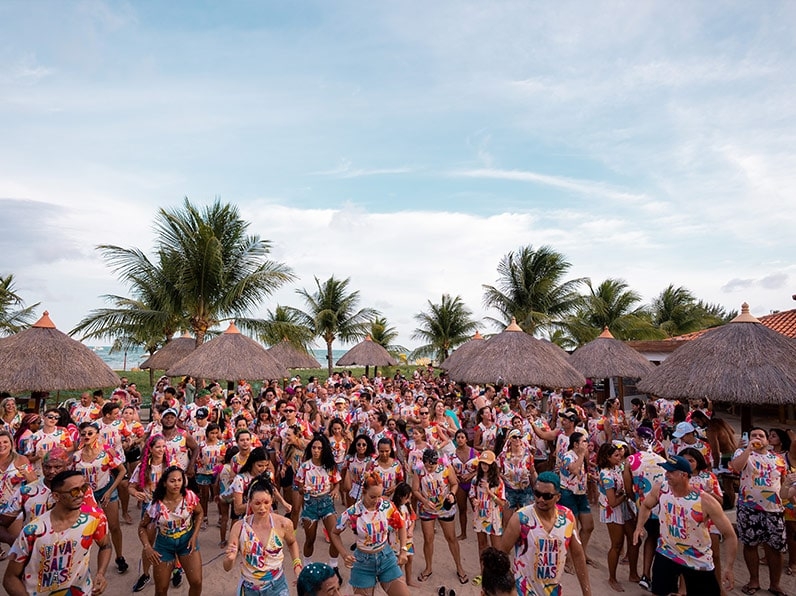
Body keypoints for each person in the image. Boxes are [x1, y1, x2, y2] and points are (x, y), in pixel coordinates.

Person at [633, 454, 737, 596]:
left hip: (697, 559)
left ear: (683, 475)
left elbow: (730, 535)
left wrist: (729, 567)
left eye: (671, 471)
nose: (666, 474)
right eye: (666, 471)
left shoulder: (705, 501)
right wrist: (639, 527)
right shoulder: (661, 489)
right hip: (667, 552)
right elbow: (645, 506)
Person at [3, 470, 111, 596]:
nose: (81, 494)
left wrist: (101, 573)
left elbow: (105, 545)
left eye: (84, 488)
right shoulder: (32, 531)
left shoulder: (95, 518)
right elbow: (10, 579)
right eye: (74, 491)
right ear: (56, 496)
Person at [501, 471, 592, 596]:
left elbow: (578, 555)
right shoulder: (521, 519)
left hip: (553, 591)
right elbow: (501, 555)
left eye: (547, 496)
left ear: (558, 497)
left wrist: (587, 592)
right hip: (523, 591)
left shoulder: (567, 519)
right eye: (537, 494)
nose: (540, 499)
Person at [729, 426, 789, 596]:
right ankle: (753, 580)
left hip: (773, 509)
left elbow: (783, 482)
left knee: (775, 548)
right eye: (754, 435)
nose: (757, 438)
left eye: (761, 436)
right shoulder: (743, 454)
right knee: (750, 544)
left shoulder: (778, 459)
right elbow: (737, 467)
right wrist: (748, 448)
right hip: (749, 508)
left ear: (768, 440)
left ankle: (775, 584)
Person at [329, 471, 410, 596]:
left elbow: (401, 524)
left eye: (379, 496)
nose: (377, 500)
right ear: (363, 492)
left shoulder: (387, 506)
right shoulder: (352, 512)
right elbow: (334, 532)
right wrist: (344, 555)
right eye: (373, 497)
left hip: (386, 558)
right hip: (363, 563)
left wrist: (403, 550)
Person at [223, 476, 302, 596]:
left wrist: (297, 566)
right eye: (257, 503)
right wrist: (230, 559)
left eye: (266, 502)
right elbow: (227, 567)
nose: (262, 508)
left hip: (277, 588)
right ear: (248, 501)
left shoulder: (283, 524)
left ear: (272, 500)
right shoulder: (239, 528)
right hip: (249, 589)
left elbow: (292, 542)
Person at [72, 421, 129, 574]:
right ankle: (84, 564)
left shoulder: (106, 452)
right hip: (85, 497)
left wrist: (110, 491)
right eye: (83, 434)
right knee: (87, 530)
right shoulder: (76, 456)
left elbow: (122, 471)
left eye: (90, 433)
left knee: (114, 526)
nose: (86, 436)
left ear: (97, 435)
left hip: (106, 490)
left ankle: (119, 556)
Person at [139, 465, 203, 596]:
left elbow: (199, 513)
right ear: (164, 483)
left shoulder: (189, 497)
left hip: (187, 541)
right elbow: (142, 527)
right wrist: (148, 547)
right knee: (161, 589)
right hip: (164, 545)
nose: (177, 484)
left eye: (179, 480)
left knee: (197, 582)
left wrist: (194, 535)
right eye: (172, 481)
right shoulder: (155, 505)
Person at [412, 447, 468, 584]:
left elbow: (454, 484)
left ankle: (459, 567)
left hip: (445, 508)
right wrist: (424, 501)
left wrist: (452, 494)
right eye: (427, 465)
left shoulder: (446, 468)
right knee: (428, 539)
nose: (429, 468)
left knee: (451, 538)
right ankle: (428, 568)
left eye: (432, 465)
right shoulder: (419, 471)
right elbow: (415, 490)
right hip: (427, 509)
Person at [295, 434, 341, 569]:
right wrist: (302, 489)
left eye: (319, 448)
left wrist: (336, 490)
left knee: (334, 536)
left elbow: (337, 482)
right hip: (310, 504)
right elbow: (299, 487)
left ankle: (334, 567)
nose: (316, 450)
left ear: (324, 450)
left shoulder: (329, 466)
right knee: (310, 539)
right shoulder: (304, 467)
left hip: (327, 502)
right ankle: (307, 566)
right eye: (314, 447)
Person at [596, 442, 637, 592]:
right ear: (608, 457)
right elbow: (612, 502)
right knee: (617, 544)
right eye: (616, 455)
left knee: (633, 539)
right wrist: (626, 495)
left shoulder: (616, 468)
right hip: (612, 510)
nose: (620, 458)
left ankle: (633, 573)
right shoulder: (606, 474)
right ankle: (612, 578)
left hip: (622, 507)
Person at [559, 431, 595, 566]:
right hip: (568, 493)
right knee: (572, 527)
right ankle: (569, 558)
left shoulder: (582, 455)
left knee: (588, 526)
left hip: (580, 492)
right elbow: (574, 469)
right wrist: (581, 455)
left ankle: (581, 553)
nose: (586, 444)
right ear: (575, 444)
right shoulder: (567, 456)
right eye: (583, 441)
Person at [469, 449, 506, 554]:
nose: (484, 466)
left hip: (494, 516)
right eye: (483, 463)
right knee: (482, 546)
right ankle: (483, 570)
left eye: (487, 464)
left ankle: (496, 570)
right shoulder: (476, 480)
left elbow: (502, 503)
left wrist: (489, 492)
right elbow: (472, 494)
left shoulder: (498, 482)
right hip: (480, 514)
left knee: (497, 548)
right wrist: (474, 500)